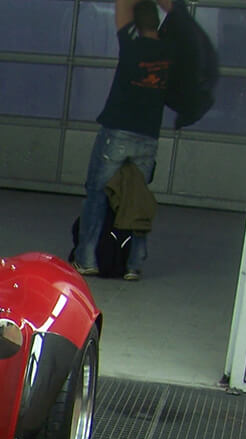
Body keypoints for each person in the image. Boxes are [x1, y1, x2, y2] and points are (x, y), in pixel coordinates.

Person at [72, 0, 174, 281]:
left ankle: (87, 259)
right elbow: (178, 14)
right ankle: (133, 264)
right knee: (136, 198)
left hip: (117, 132)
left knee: (97, 193)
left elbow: (122, 7)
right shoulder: (169, 51)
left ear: (137, 25)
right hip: (148, 136)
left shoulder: (132, 45)